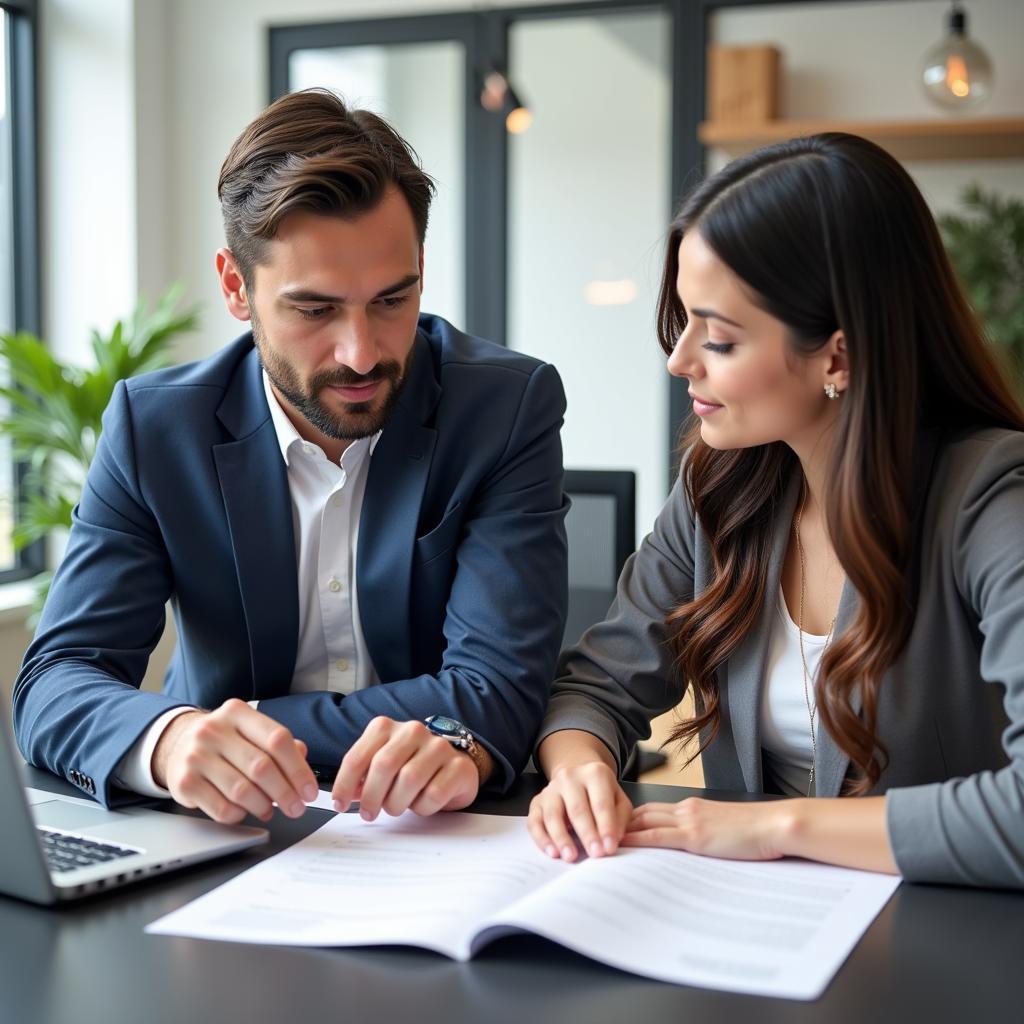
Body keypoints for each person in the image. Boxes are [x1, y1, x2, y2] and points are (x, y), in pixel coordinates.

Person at [14, 89, 568, 827]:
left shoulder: (503, 407)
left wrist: (228, 722)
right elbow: (56, 680)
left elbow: (496, 692)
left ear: (421, 269)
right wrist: (171, 739)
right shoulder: (157, 428)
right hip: (221, 827)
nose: (362, 351)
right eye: (315, 310)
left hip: (429, 831)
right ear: (236, 287)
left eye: (392, 300)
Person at [528, 132, 1024, 890]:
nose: (679, 359)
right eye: (686, 321)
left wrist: (771, 827)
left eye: (719, 338)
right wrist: (578, 770)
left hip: (940, 941)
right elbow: (596, 688)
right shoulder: (720, 489)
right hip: (752, 926)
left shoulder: (992, 497)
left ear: (838, 356)